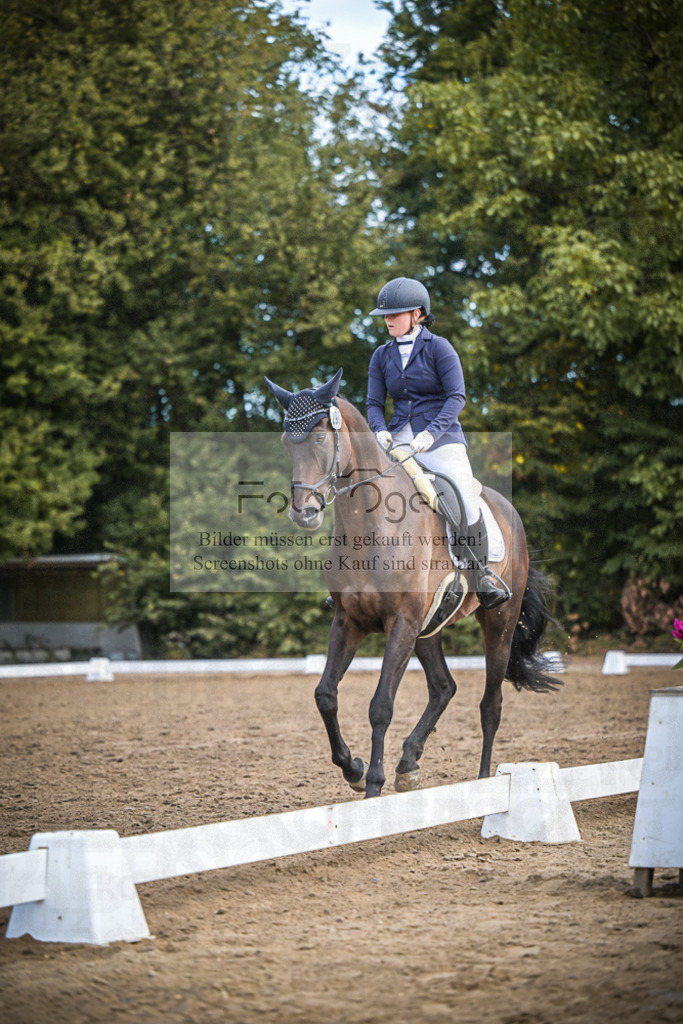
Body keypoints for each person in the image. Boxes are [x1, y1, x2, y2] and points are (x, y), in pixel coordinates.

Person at [366, 276, 510, 610]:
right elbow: (374, 403)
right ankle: (357, 578)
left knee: (462, 494)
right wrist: (378, 430)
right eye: (385, 315)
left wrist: (430, 433)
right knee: (367, 491)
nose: (388, 320)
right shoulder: (380, 356)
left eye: (395, 314)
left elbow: (456, 396)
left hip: (441, 438)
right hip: (398, 438)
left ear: (417, 314)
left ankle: (481, 573)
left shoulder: (439, 348)